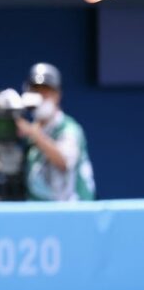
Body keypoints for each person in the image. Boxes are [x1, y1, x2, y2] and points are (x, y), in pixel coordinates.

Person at [15, 63, 96, 201]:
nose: (40, 96)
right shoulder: (29, 133)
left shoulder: (69, 128)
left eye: (45, 91)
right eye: (35, 90)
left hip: (74, 212)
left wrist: (35, 134)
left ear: (57, 95)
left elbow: (64, 161)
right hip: (41, 213)